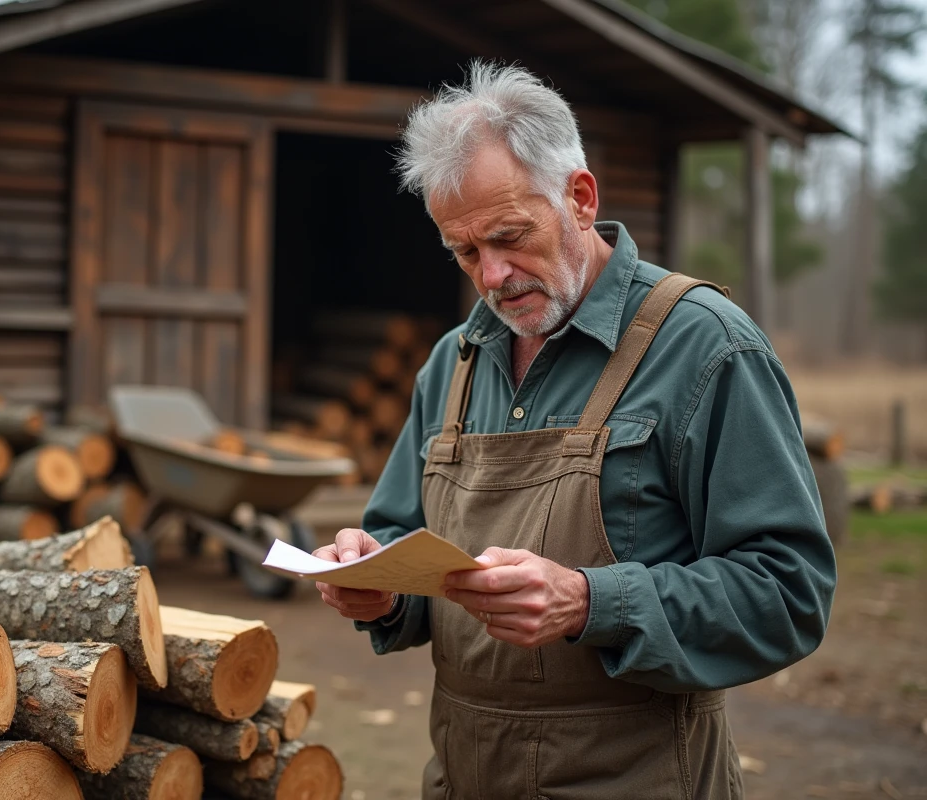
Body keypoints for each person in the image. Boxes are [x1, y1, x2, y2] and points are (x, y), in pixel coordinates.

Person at [314, 60, 837, 799]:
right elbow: (407, 542)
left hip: (639, 779)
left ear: (581, 198)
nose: (491, 276)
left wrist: (593, 602)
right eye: (465, 252)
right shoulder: (453, 362)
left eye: (509, 237)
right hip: (464, 774)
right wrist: (380, 584)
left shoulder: (706, 347)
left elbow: (788, 593)